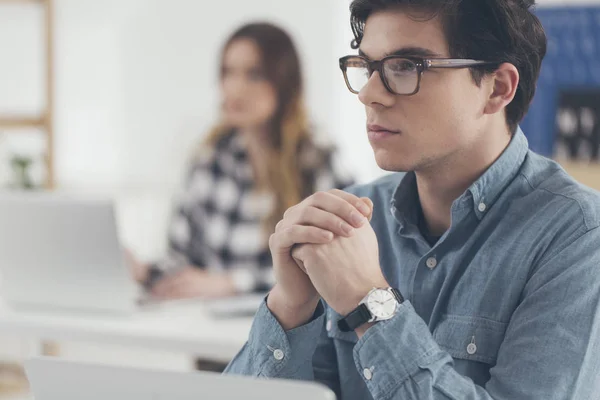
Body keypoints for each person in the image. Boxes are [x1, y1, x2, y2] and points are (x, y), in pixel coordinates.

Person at [225, 1, 600, 399]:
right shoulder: (351, 220)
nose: (369, 94)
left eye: (406, 66)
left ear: (497, 88)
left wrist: (370, 303)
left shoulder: (578, 236)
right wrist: (289, 308)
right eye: (367, 67)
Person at [130, 22, 353, 300]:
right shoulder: (209, 162)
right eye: (227, 73)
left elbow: (337, 263)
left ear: (283, 83)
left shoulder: (318, 162)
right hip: (211, 333)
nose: (233, 89)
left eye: (254, 75)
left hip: (292, 334)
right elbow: (184, 259)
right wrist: (144, 271)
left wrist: (233, 283)